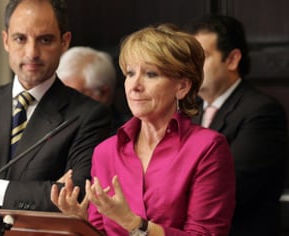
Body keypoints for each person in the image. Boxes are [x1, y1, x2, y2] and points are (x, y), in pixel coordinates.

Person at [0, 0, 111, 235]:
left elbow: (75, 198)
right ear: (6, 40)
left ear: (64, 42)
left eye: (45, 40)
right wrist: (33, 202)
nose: (32, 53)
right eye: (20, 39)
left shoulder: (88, 115)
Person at [51, 24, 236, 235]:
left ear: (182, 86)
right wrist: (79, 222)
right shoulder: (105, 152)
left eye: (150, 74)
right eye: (130, 73)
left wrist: (133, 223)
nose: (134, 85)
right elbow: (101, 231)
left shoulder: (207, 148)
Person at [185, 15, 288, 236]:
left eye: (201, 57)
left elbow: (226, 186)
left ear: (232, 59)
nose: (191, 67)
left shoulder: (261, 112)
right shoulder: (188, 112)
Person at [57, 46, 130, 133]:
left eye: (73, 95)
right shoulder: (49, 126)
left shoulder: (127, 135)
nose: (63, 103)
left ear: (104, 93)